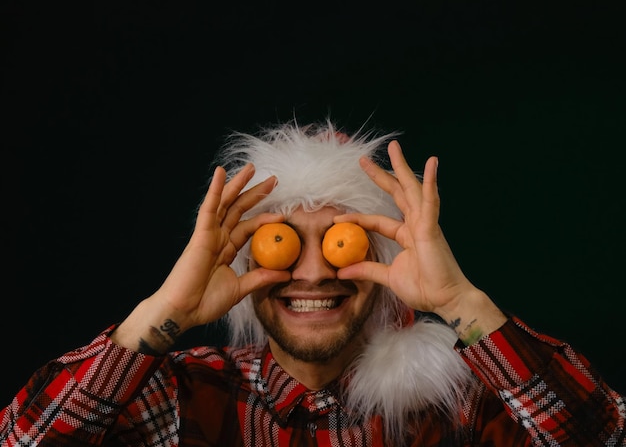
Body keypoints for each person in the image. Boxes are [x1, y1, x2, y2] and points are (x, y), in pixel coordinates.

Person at [1, 118, 624, 446]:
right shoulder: (183, 398)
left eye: (338, 240)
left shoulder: (460, 402)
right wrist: (164, 309)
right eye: (285, 243)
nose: (315, 271)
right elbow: (24, 440)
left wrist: (461, 304)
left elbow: (602, 434)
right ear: (242, 267)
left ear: (383, 265)